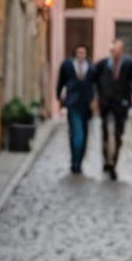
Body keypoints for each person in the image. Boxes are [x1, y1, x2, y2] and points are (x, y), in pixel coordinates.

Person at [93, 39, 132, 180]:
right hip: (105, 103)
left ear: (122, 50)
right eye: (113, 50)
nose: (115, 53)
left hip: (121, 103)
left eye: (118, 50)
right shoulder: (102, 64)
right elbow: (93, 81)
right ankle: (106, 157)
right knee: (105, 132)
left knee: (119, 134)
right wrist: (95, 98)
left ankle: (114, 161)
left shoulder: (128, 64)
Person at [55, 43, 94, 174]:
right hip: (72, 104)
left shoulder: (91, 66)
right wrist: (60, 101)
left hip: (86, 105)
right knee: (78, 134)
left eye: (83, 52)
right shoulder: (67, 65)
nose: (81, 55)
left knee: (83, 134)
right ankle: (75, 162)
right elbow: (61, 82)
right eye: (79, 52)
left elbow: (94, 84)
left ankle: (78, 161)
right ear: (75, 53)